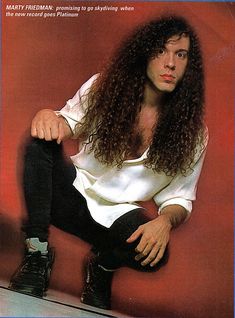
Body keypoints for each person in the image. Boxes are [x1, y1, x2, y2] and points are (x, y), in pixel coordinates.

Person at [9, 15, 208, 310]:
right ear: (144, 54)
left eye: (181, 55)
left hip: (115, 219)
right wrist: (47, 115)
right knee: (40, 142)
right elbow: (66, 123)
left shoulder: (194, 133)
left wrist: (165, 221)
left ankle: (102, 267)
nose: (170, 63)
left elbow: (179, 197)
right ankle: (37, 253)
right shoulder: (105, 87)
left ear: (188, 65)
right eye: (161, 51)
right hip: (70, 195)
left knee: (156, 255)